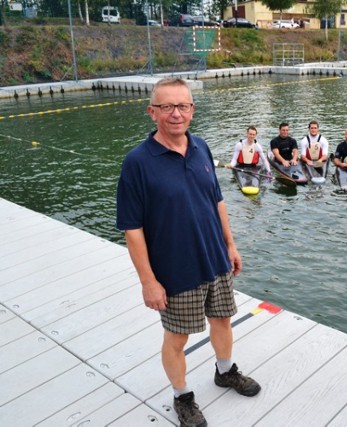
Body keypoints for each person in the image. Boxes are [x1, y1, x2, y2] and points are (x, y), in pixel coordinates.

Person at [116, 77, 261, 427]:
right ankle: (182, 396)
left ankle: (225, 372)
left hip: (215, 259)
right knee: (177, 337)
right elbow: (132, 229)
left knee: (223, 319)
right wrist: (148, 281)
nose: (175, 114)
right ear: (153, 112)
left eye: (183, 106)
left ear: (192, 110)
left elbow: (217, 199)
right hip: (176, 269)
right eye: (167, 107)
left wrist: (230, 244)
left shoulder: (201, 147)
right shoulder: (137, 162)